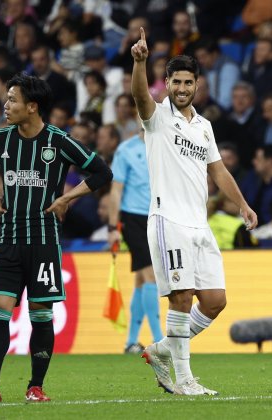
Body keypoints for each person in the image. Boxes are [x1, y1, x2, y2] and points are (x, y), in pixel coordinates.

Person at [0, 74, 112, 403]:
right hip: (8, 237)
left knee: (40, 314)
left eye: (12, 99)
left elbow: (101, 172)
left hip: (44, 241)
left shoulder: (58, 141)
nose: (6, 104)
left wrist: (66, 198)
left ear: (32, 106)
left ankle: (35, 387)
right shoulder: (1, 139)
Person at [131, 28, 258, 396]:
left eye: (188, 81)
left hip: (199, 224)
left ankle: (162, 350)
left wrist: (243, 205)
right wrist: (139, 62)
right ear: (166, 83)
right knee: (182, 297)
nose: (182, 88)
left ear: (197, 84)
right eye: (176, 81)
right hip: (168, 220)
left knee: (216, 301)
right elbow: (140, 96)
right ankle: (185, 379)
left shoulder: (204, 127)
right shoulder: (155, 117)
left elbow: (217, 170)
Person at [107, 129, 164, 354]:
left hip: (159, 216)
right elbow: (116, 189)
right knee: (151, 275)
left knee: (142, 279)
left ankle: (131, 341)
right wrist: (113, 227)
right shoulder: (126, 150)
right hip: (134, 219)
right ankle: (160, 340)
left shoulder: (165, 142)